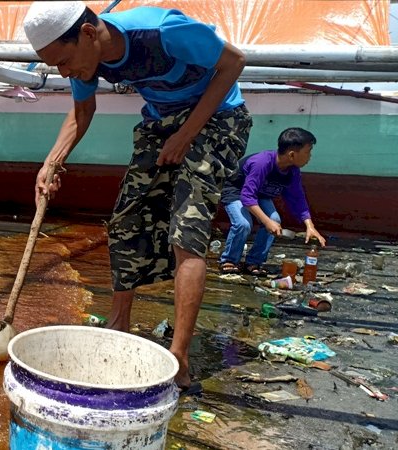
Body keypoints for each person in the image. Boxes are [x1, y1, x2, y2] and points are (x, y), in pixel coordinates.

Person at [22, 2, 252, 392]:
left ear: (89, 34)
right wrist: (51, 163)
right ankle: (118, 321)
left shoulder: (163, 29)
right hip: (160, 120)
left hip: (217, 119)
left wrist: (186, 135)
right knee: (126, 220)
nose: (64, 73)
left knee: (187, 231)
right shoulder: (87, 59)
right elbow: (82, 110)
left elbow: (234, 63)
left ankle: (179, 356)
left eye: (63, 61)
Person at [219, 127, 326, 275]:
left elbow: (297, 198)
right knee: (243, 224)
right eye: (308, 152)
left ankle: (254, 261)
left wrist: (309, 225)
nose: (310, 156)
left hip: (261, 194)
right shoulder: (261, 163)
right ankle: (229, 260)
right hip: (237, 191)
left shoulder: (292, 170)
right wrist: (266, 221)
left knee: (275, 219)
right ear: (292, 154)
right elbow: (247, 197)